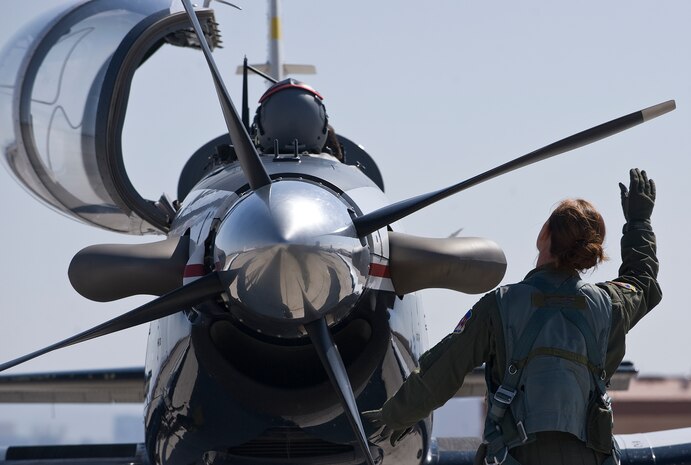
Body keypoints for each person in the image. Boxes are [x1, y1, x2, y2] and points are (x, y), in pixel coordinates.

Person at [365, 168, 662, 465]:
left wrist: (392, 417)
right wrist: (639, 222)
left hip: (514, 456)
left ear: (543, 236)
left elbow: (444, 369)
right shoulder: (611, 306)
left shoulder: (500, 305)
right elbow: (641, 281)